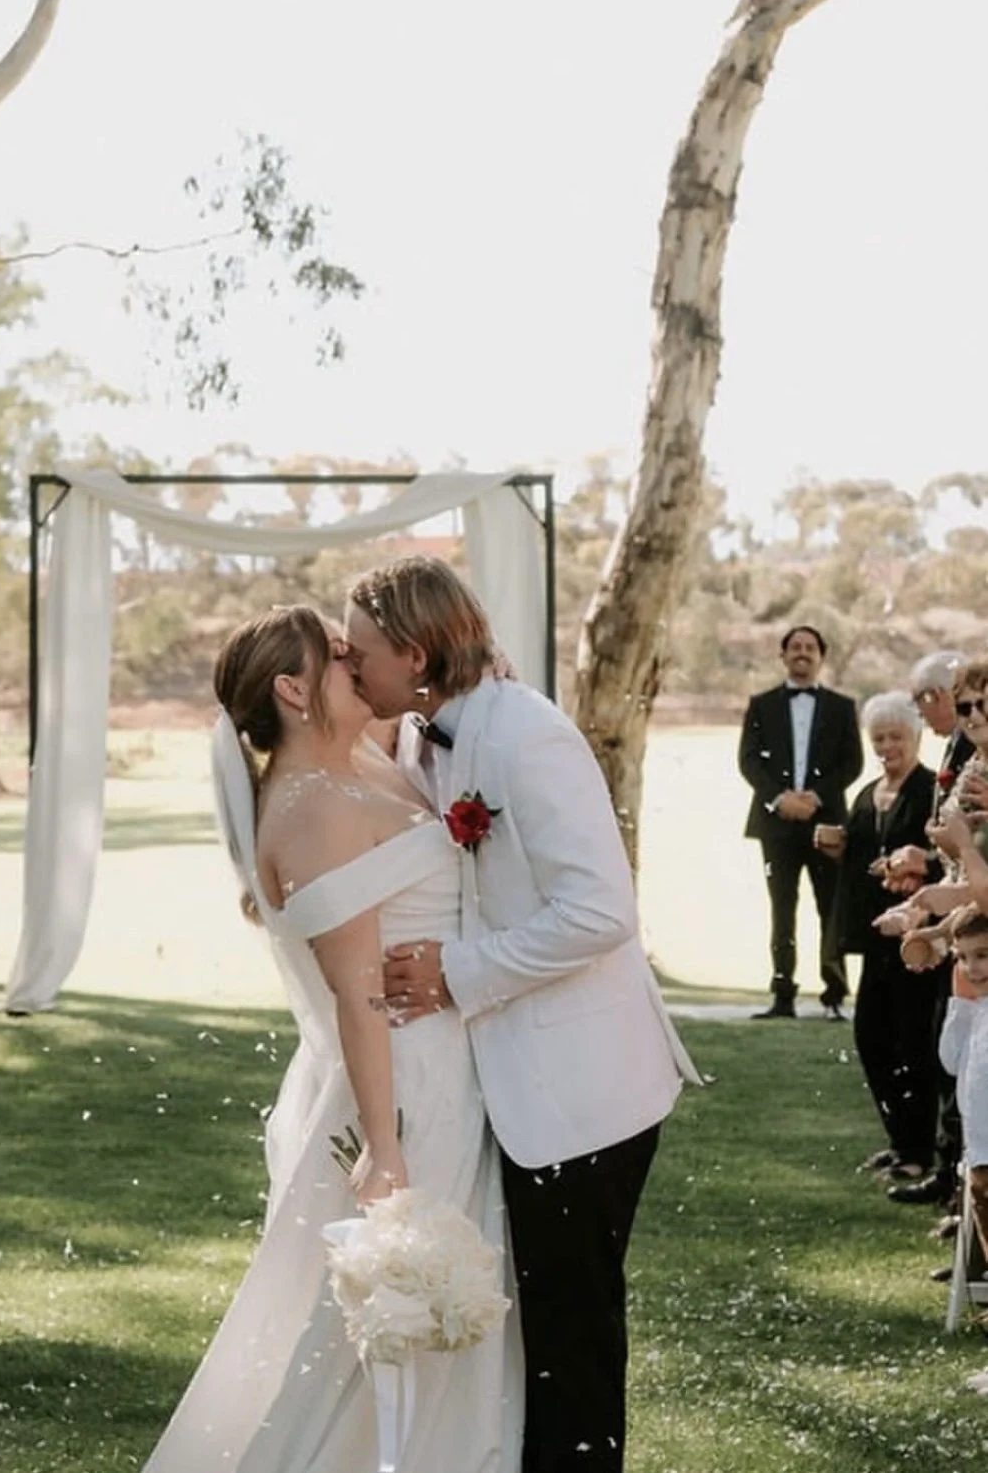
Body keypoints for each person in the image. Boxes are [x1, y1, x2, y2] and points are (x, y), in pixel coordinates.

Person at [142, 606, 522, 1473]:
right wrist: (384, 1148)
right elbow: (356, 997)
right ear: (291, 688)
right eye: (340, 657)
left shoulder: (360, 763)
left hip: (448, 1061)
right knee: (376, 1334)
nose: (360, 664)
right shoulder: (310, 806)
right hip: (405, 1087)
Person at [344, 557, 697, 1473]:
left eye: (361, 650)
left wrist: (460, 971)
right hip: (514, 1083)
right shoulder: (427, 737)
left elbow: (601, 912)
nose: (348, 665)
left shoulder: (526, 732)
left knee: (572, 1330)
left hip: (584, 1089)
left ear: (415, 652)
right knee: (539, 1329)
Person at [829, 693, 941, 1180]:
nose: (887, 746)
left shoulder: (931, 789)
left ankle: (918, 1151)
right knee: (871, 1037)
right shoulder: (866, 791)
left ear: (914, 737)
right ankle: (899, 1139)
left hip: (916, 933)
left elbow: (939, 858)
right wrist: (838, 846)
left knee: (913, 1042)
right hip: (872, 935)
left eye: (896, 736)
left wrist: (914, 872)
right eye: (879, 738)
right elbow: (861, 856)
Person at [882, 650, 973, 1210]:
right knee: (951, 1054)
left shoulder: (972, 752)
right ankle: (954, 1178)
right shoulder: (957, 748)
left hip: (969, 921)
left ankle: (960, 1183)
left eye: (929, 700)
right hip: (955, 909)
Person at [737, 625, 864, 1019]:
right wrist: (780, 799)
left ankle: (834, 997)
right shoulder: (761, 705)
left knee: (831, 908)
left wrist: (816, 797)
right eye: (795, 647)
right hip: (776, 824)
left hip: (825, 823)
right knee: (782, 910)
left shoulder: (842, 707)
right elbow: (749, 760)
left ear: (821, 656)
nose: (802, 653)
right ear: (783, 656)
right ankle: (783, 997)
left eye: (810, 647)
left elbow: (852, 762)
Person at [936, 909, 988, 1394]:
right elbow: (950, 1062)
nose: (975, 968)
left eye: (984, 956)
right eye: (964, 958)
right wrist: (961, 1003)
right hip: (981, 1155)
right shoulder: (975, 1009)